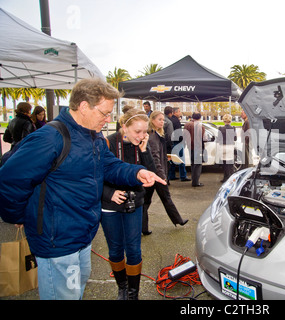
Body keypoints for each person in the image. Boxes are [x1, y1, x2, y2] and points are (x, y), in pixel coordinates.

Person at [0, 78, 166, 300]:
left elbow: (109, 165)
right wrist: (23, 216)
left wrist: (136, 172)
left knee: (75, 293)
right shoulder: (50, 138)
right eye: (104, 113)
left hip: (83, 236)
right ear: (84, 106)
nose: (108, 119)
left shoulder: (93, 135)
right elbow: (10, 180)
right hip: (57, 241)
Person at [101, 109, 156, 300]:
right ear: (124, 127)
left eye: (145, 132)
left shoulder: (141, 144)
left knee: (133, 249)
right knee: (115, 249)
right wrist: (109, 193)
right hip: (110, 204)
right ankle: (122, 288)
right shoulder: (107, 143)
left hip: (135, 201)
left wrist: (144, 149)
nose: (141, 136)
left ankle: (133, 293)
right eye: (137, 132)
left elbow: (152, 174)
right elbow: (93, 174)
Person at [144, 110, 188, 228]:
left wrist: (167, 157)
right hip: (157, 174)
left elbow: (157, 154)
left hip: (154, 173)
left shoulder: (156, 134)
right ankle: (178, 220)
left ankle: (143, 227)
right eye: (159, 120)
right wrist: (162, 175)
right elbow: (154, 157)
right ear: (152, 120)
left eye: (163, 120)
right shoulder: (153, 136)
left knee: (146, 201)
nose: (162, 122)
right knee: (164, 198)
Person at [184, 112, 206, 187]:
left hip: (190, 147)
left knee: (193, 164)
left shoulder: (187, 125)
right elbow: (204, 138)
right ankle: (195, 182)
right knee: (198, 165)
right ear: (200, 117)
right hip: (198, 147)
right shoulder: (200, 126)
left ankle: (194, 180)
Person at [168, 107, 190, 181]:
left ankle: (171, 176)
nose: (180, 113)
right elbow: (179, 133)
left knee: (173, 159)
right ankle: (183, 176)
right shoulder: (176, 121)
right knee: (181, 159)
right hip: (178, 142)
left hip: (172, 142)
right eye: (179, 111)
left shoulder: (170, 120)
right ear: (175, 112)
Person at [218, 114, 237, 182]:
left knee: (224, 163)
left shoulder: (220, 128)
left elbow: (218, 139)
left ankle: (225, 178)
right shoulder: (233, 128)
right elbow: (235, 138)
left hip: (223, 147)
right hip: (230, 147)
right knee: (230, 163)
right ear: (230, 120)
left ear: (224, 120)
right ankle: (230, 177)